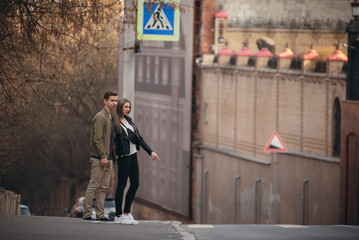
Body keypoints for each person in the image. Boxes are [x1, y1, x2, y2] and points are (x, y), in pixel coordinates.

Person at [114, 98, 160, 224]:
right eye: (125, 107)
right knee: (122, 186)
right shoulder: (115, 122)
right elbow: (110, 141)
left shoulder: (129, 120)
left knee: (135, 183)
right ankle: (118, 215)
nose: (128, 109)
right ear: (120, 107)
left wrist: (150, 151)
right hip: (123, 156)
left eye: (129, 107)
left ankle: (127, 213)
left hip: (133, 154)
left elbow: (138, 138)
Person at [83, 91, 118, 222]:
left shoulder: (110, 117)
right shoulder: (100, 117)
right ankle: (86, 214)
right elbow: (97, 139)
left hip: (108, 158)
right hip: (99, 158)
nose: (114, 103)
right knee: (94, 185)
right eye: (112, 100)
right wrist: (103, 156)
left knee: (103, 188)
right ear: (105, 101)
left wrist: (111, 156)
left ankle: (100, 214)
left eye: (115, 101)